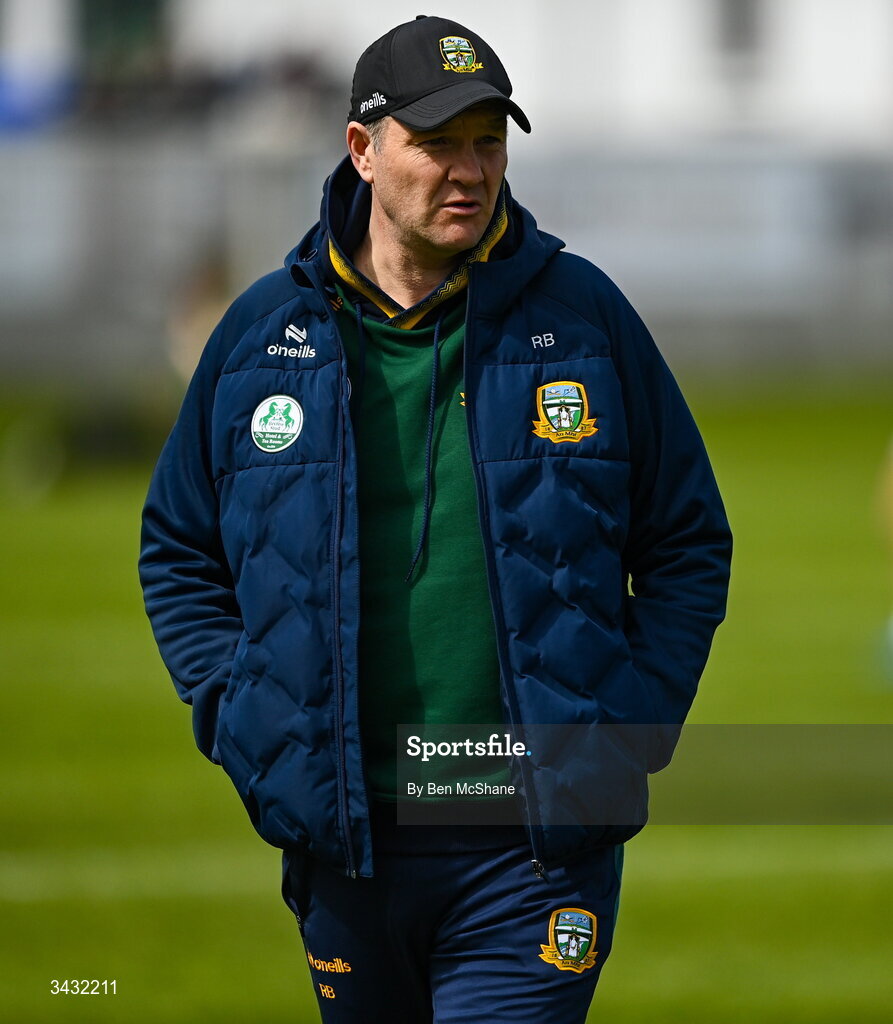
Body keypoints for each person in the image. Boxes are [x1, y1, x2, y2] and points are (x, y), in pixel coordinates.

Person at [139, 14, 732, 1024]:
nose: (469, 170)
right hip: (345, 841)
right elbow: (179, 549)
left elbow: (683, 541)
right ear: (363, 151)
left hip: (533, 850)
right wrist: (242, 717)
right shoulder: (258, 336)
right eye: (436, 141)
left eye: (487, 140)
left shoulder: (585, 318)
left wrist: (622, 729)